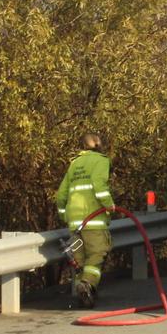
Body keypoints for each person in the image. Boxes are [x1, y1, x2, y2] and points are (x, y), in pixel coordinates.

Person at [55, 132, 115, 308]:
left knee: (80, 261)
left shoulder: (75, 163)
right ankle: (87, 284)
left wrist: (63, 215)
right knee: (97, 254)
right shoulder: (101, 160)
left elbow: (61, 195)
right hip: (93, 219)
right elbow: (98, 184)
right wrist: (109, 204)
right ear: (99, 144)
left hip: (75, 221)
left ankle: (86, 294)